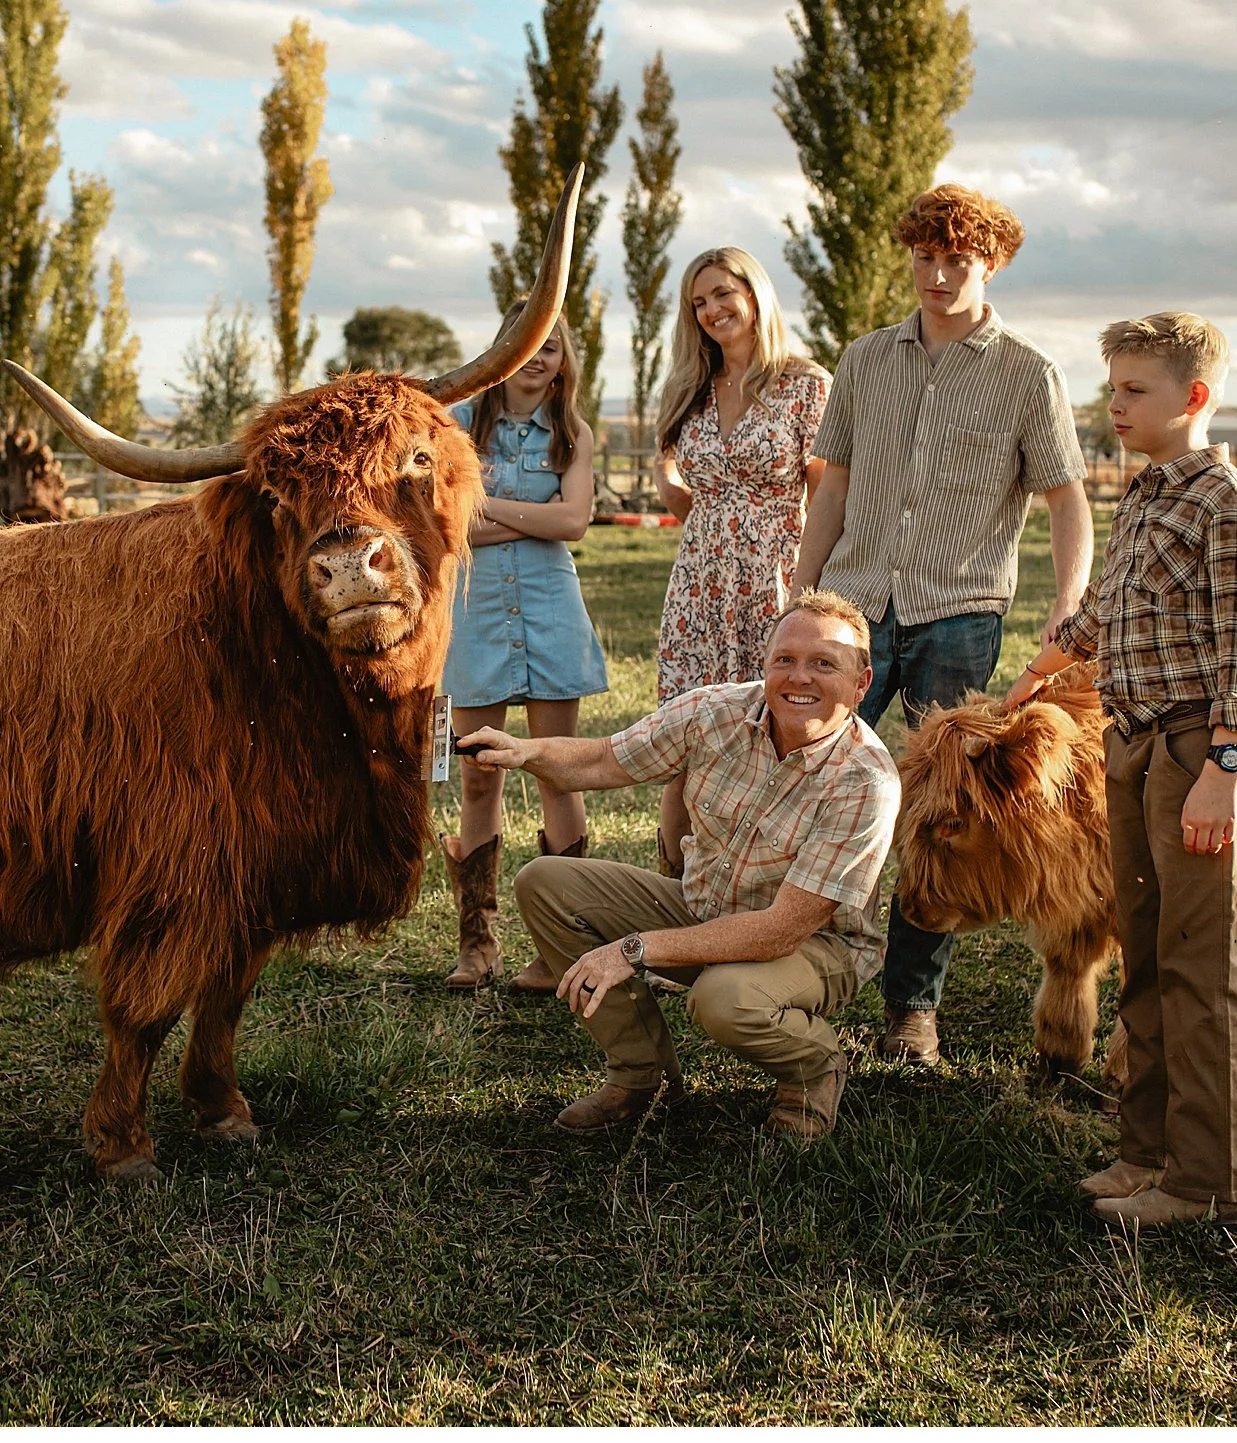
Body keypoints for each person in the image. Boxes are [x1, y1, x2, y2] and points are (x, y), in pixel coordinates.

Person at [789, 183, 1093, 1068]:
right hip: (853, 605)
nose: (937, 274)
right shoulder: (864, 362)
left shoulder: (1028, 374)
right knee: (811, 774)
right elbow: (833, 486)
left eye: (957, 259)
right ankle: (791, 969)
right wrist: (802, 594)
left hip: (959, 611)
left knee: (944, 811)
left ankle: (910, 1010)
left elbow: (1067, 500)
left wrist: (1067, 602)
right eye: (924, 257)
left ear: (989, 263)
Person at [1007, 313, 1237, 1237]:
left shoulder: (1230, 507)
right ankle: (1146, 1153)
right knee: (1146, 959)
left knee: (1199, 969)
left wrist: (1223, 768)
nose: (1114, 405)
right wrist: (1050, 662)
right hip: (1129, 745)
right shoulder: (1146, 497)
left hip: (1194, 752)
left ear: (1194, 397)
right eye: (1113, 387)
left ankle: (1215, 1184)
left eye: (1135, 390)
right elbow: (1109, 612)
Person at [460, 590, 898, 1141]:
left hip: (813, 946)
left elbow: (780, 929)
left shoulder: (866, 782)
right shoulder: (716, 712)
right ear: (764, 666)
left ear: (861, 685)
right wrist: (525, 752)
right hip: (701, 908)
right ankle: (642, 1076)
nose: (799, 677)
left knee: (726, 1000)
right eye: (784, 659)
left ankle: (813, 1069)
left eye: (823, 664)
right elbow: (602, 759)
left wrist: (635, 949)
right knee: (545, 882)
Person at [438, 305, 610, 991]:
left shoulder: (572, 433)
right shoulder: (456, 428)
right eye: (526, 345)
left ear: (564, 359)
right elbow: (446, 525)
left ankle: (562, 946)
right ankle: (476, 941)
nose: (539, 358)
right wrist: (529, 520)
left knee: (556, 770)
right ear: (502, 350)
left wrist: (494, 514)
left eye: (552, 347)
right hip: (476, 612)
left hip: (550, 611)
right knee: (481, 773)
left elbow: (574, 521)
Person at [651, 247, 831, 877]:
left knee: (769, 731)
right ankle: (674, 891)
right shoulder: (690, 390)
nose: (711, 310)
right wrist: (696, 509)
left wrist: (805, 595)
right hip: (699, 584)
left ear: (754, 295)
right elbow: (678, 486)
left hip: (777, 577)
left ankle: (764, 884)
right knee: (686, 732)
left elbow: (827, 494)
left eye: (723, 294)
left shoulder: (806, 386)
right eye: (698, 303)